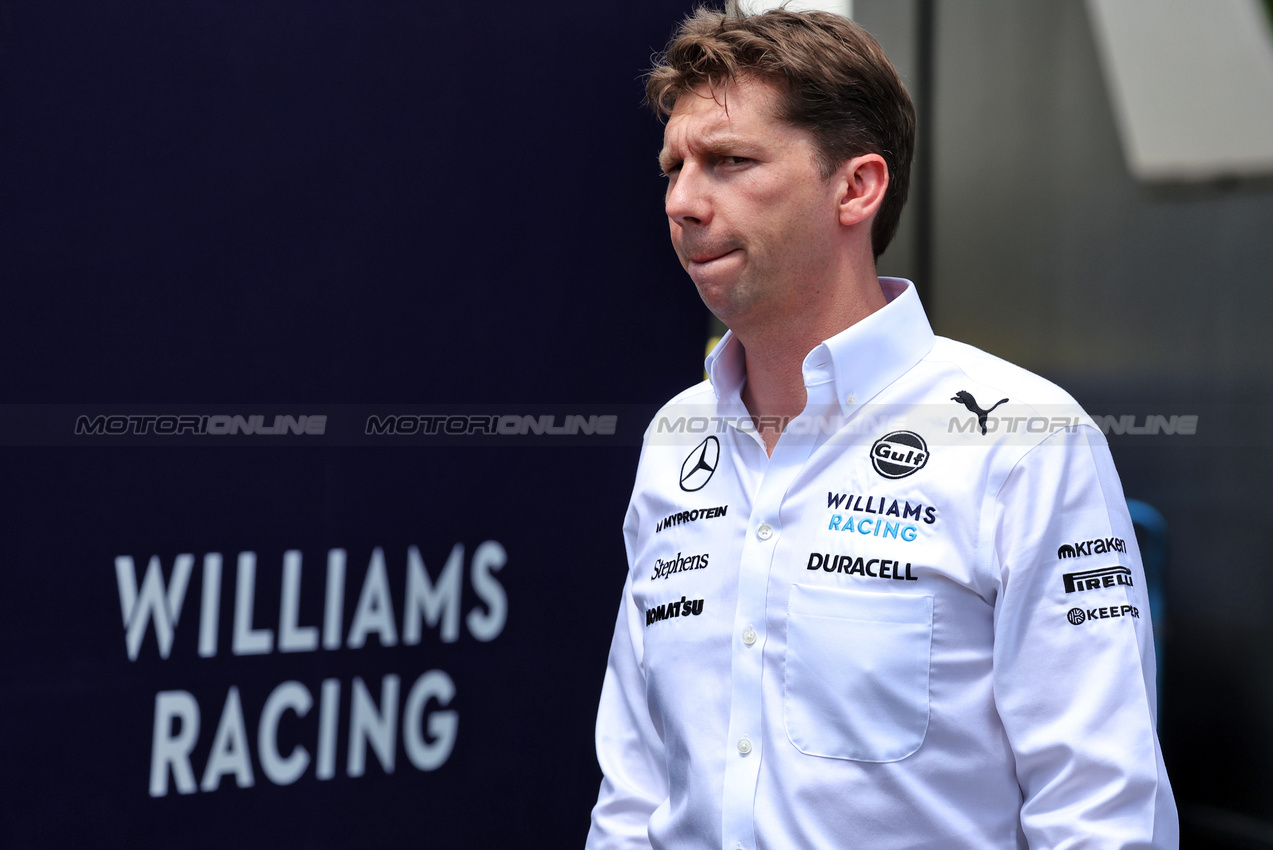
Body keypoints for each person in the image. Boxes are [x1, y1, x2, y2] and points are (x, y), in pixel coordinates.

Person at [585, 5, 1177, 850]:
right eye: (672, 167)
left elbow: (1101, 813)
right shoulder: (677, 438)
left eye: (727, 161)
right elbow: (635, 787)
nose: (681, 201)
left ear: (856, 186)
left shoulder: (1023, 438)